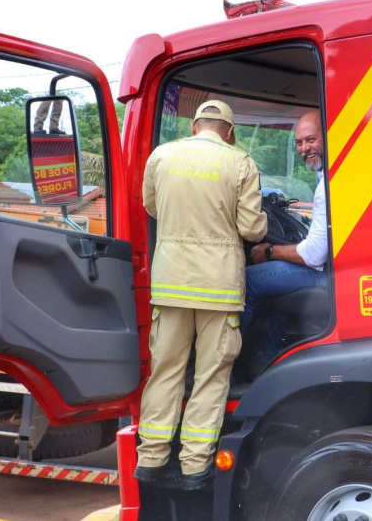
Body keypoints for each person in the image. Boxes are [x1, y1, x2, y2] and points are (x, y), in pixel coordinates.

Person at [135, 100, 267, 490]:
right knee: (211, 375)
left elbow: (152, 207)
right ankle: (194, 467)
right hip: (218, 288)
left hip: (170, 284)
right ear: (229, 131)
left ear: (194, 126)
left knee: (165, 371)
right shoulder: (240, 162)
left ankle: (151, 459)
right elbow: (252, 229)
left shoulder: (161, 156)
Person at [243, 110, 328, 372]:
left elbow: (315, 255)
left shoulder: (328, 185)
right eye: (299, 143)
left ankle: (229, 362)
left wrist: (271, 251)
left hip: (329, 273)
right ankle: (266, 359)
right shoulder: (327, 176)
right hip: (335, 267)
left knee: (245, 281)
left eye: (311, 140)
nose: (304, 149)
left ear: (328, 135)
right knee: (275, 284)